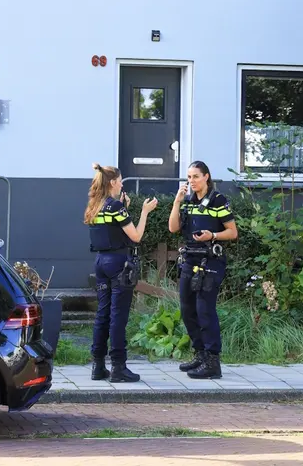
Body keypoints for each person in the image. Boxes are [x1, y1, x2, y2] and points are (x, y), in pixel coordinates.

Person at [84, 163, 158, 383]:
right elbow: (135, 236)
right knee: (118, 316)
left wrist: (122, 206)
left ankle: (97, 366)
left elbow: (110, 231)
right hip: (118, 263)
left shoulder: (95, 206)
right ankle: (119, 367)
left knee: (102, 314)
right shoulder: (115, 207)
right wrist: (144, 212)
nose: (122, 184)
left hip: (100, 262)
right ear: (113, 182)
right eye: (121, 181)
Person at [168, 161, 237, 379]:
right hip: (189, 259)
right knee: (187, 308)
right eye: (189, 177)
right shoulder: (187, 201)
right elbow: (173, 228)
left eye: (196, 177)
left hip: (210, 260)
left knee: (204, 310)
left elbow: (232, 232)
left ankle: (212, 362)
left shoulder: (218, 200)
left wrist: (213, 235)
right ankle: (199, 354)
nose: (192, 181)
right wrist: (177, 202)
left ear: (206, 177)